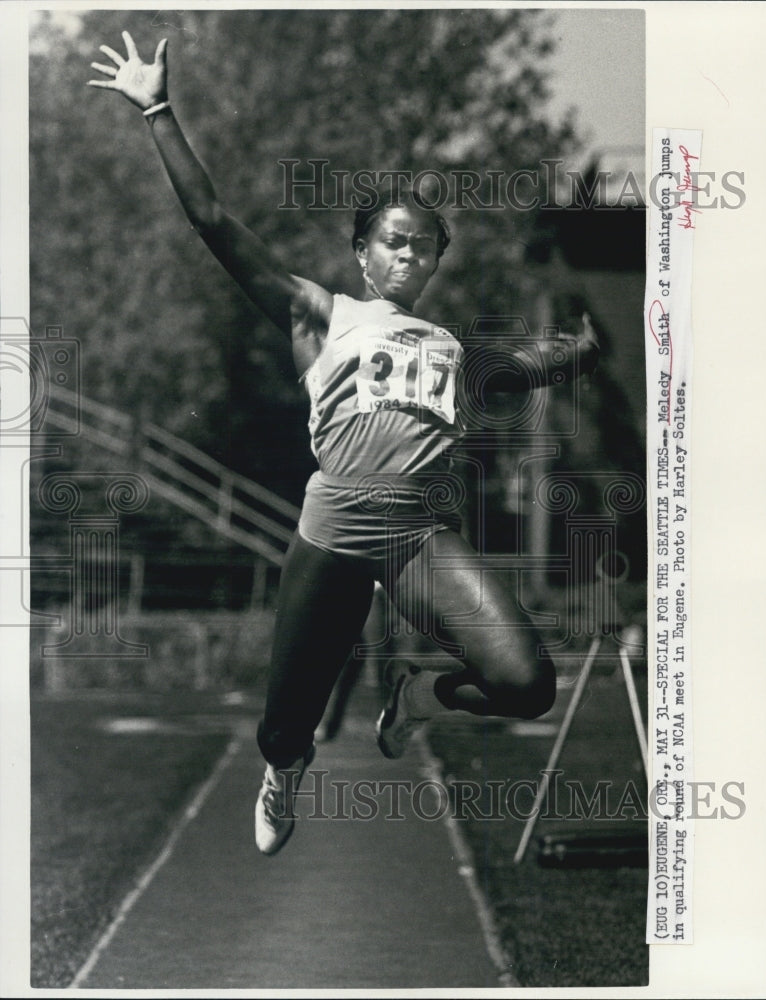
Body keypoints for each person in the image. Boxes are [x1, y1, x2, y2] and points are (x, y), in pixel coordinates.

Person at [89, 33, 600, 856]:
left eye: (422, 243)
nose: (407, 252)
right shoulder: (317, 313)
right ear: (362, 254)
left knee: (526, 682)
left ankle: (419, 696)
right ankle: (284, 773)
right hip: (332, 531)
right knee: (285, 725)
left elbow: (522, 368)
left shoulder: (450, 352)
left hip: (415, 538)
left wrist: (580, 349)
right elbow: (214, 222)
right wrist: (157, 111)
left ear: (435, 258)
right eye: (392, 240)